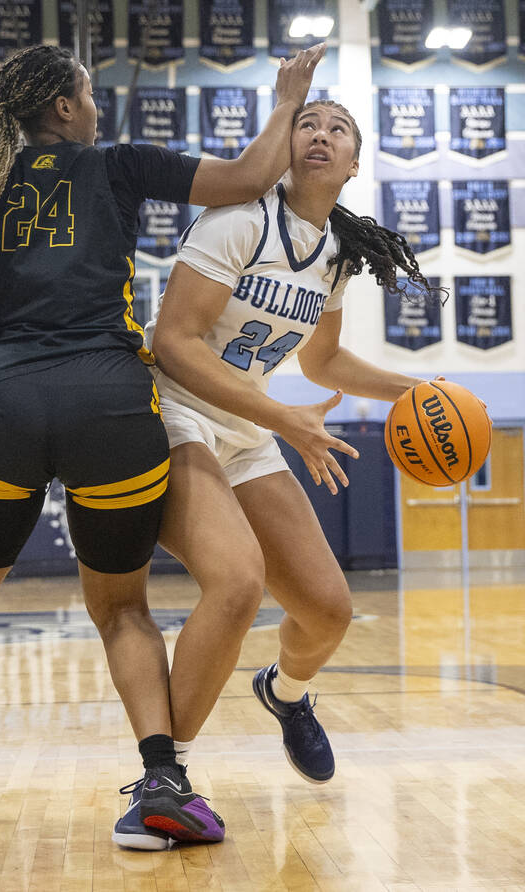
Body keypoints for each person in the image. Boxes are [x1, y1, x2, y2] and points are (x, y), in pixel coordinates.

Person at [0, 41, 325, 861]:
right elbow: (253, 177)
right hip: (111, 405)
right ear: (68, 109)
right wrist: (289, 95)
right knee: (122, 609)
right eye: (89, 94)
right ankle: (161, 779)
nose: (98, 107)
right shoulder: (119, 163)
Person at [144, 100, 442, 826]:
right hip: (171, 415)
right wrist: (285, 421)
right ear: (287, 140)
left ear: (354, 162)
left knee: (329, 610)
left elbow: (325, 359)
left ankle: (284, 691)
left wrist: (423, 388)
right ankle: (166, 776)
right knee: (239, 582)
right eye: (309, 122)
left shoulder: (336, 252)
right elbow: (172, 342)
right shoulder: (241, 219)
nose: (321, 134)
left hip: (246, 424)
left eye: (339, 128)